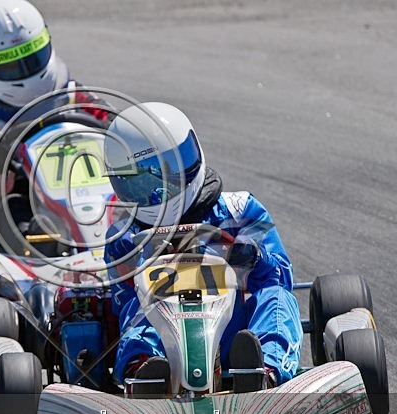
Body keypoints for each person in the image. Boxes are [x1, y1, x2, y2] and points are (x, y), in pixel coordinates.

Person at [102, 102, 302, 395]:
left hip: (234, 334)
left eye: (166, 173)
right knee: (138, 308)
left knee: (276, 298)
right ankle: (144, 374)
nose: (160, 191)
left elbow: (279, 278)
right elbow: (122, 303)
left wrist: (255, 258)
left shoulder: (241, 210)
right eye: (141, 182)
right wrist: (130, 262)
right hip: (165, 340)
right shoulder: (124, 235)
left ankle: (265, 372)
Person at [0, 0, 109, 177]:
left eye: (32, 58)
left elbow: (110, 117)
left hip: (99, 181)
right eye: (8, 65)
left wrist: (116, 126)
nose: (23, 69)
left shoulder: (72, 94)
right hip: (31, 190)